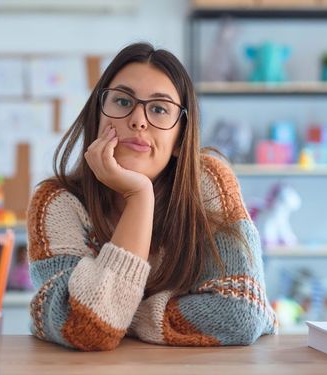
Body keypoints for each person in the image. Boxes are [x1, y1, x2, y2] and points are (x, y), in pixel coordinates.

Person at [27, 42, 277, 351]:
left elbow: (241, 314)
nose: (138, 120)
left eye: (159, 108)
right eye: (122, 101)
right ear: (98, 116)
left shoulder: (206, 180)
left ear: (178, 139)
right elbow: (86, 329)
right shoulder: (56, 202)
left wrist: (122, 317)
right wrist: (140, 196)